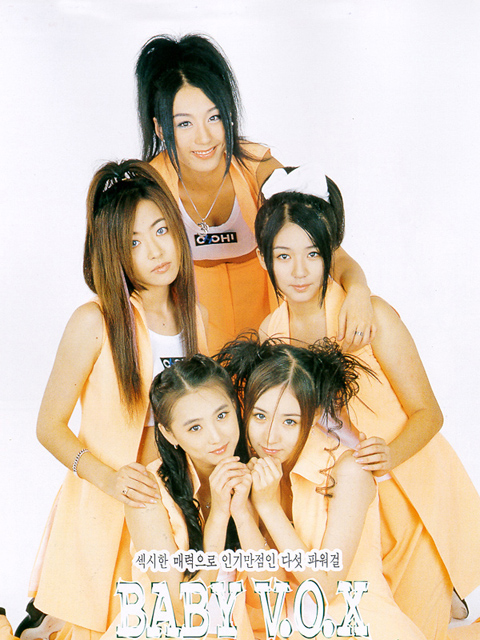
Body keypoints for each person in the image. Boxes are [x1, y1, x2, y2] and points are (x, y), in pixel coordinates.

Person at [254, 165, 480, 640]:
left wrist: (389, 455)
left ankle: (452, 600)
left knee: (420, 626)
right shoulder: (270, 335)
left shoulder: (368, 315)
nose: (299, 272)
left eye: (313, 254)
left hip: (406, 497)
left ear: (330, 254)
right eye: (284, 256)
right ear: (264, 260)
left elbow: (430, 413)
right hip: (338, 510)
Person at [23, 160, 208, 640]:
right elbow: (48, 426)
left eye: (161, 230)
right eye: (133, 243)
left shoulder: (196, 318)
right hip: (110, 508)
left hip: (176, 503)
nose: (156, 250)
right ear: (114, 254)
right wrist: (109, 479)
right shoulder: (94, 322)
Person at [135, 33, 374, 352]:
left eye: (214, 117)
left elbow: (323, 247)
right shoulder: (148, 188)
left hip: (271, 344)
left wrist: (358, 290)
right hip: (194, 349)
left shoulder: (260, 170)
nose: (204, 138)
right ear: (161, 128)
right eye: (184, 124)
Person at [216, 336, 428, 640]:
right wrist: (243, 512)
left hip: (358, 625)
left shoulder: (349, 470)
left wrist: (268, 507)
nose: (270, 437)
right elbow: (270, 594)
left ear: (314, 415)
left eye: (290, 421)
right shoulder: (253, 472)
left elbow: (325, 588)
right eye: (260, 416)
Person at [119, 354, 255, 639]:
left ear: (235, 406)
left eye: (222, 415)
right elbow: (181, 610)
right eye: (195, 427)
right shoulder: (148, 491)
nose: (216, 437)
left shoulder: (256, 473)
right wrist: (219, 515)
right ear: (169, 434)